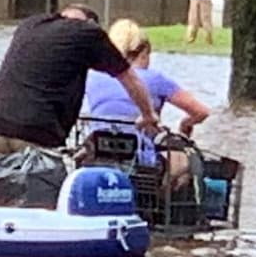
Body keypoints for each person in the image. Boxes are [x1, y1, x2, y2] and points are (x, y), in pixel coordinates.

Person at [0, 3, 159, 178]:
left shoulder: (30, 25)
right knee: (42, 202)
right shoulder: (89, 32)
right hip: (38, 137)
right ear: (91, 23)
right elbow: (129, 78)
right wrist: (148, 114)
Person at [86, 18, 210, 186]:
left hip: (97, 153)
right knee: (183, 164)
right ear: (143, 53)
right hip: (140, 159)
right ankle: (162, 206)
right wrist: (185, 125)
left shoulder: (93, 76)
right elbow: (201, 112)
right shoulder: (155, 78)